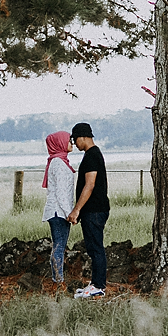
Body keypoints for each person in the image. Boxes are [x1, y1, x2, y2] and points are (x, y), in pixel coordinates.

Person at [68, 121, 110, 299]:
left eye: (75, 140)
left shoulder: (92, 156)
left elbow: (89, 185)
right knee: (93, 248)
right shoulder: (92, 154)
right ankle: (95, 283)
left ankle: (99, 286)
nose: (75, 144)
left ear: (83, 137)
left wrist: (76, 210)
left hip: (94, 210)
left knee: (96, 248)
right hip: (93, 210)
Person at [42, 130, 75, 288]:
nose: (72, 143)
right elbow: (61, 193)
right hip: (59, 211)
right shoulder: (59, 163)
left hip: (58, 210)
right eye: (69, 140)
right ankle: (58, 281)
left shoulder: (59, 161)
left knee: (59, 245)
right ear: (60, 143)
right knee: (59, 246)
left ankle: (58, 279)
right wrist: (70, 213)